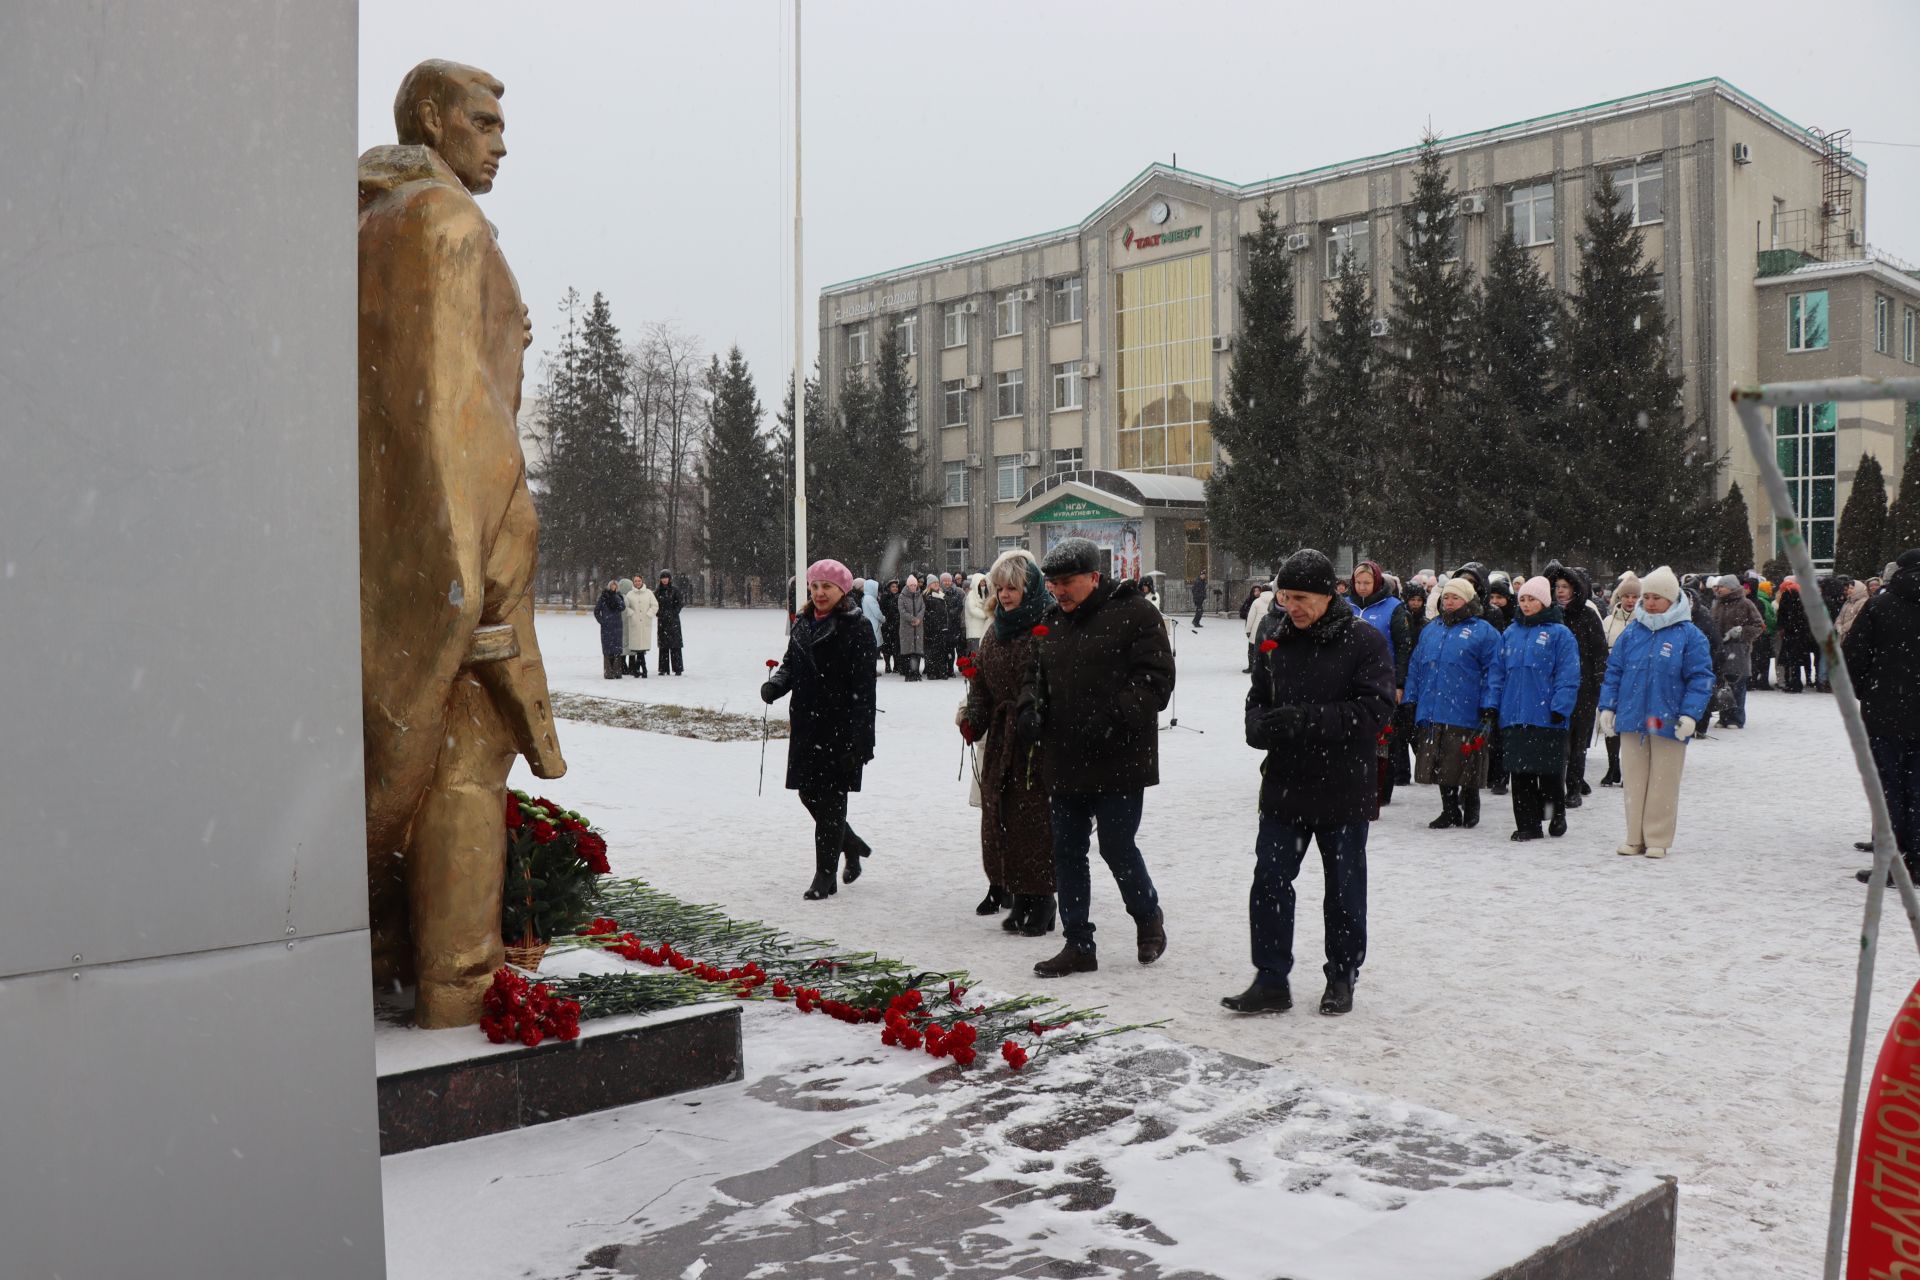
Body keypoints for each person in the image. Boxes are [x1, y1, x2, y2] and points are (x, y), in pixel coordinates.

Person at [358, 59, 568, 1026]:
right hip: (456, 548)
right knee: (465, 772)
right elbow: (447, 413)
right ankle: (459, 984)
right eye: (482, 121)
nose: (501, 139)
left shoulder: (370, 221)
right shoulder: (440, 223)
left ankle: (396, 953)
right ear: (434, 120)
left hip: (390, 542)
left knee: (416, 769)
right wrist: (475, 573)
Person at [1224, 549, 1393, 1017]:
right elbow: (1256, 702)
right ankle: (1271, 978)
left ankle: (1341, 974)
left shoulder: (1363, 640)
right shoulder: (1273, 638)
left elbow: (1374, 711)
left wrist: (1307, 720)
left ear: (1328, 595)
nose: (1289, 606)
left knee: (1343, 886)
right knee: (1270, 882)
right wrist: (1260, 728)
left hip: (1343, 785)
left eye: (1300, 597)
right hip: (1285, 785)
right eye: (1283, 596)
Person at [1029, 537, 1175, 978]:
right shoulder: (1050, 622)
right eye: (1052, 583)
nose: (1058, 591)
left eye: (1067, 582)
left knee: (1115, 845)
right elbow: (1032, 678)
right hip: (1064, 756)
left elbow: (1156, 680)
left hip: (1119, 757)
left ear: (1094, 577)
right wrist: (1028, 710)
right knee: (1067, 850)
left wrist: (1115, 718)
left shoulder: (1136, 614)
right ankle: (1078, 943)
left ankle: (1148, 917)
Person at [761, 560, 878, 900]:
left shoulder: (857, 628)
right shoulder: (802, 624)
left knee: (831, 801)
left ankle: (824, 876)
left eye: (827, 586)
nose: (819, 593)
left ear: (842, 590)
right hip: (807, 726)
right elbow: (790, 665)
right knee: (809, 793)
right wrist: (777, 685)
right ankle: (850, 843)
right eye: (814, 586)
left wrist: (861, 739)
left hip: (840, 727)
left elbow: (865, 690)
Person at [960, 550, 1059, 936]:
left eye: (1012, 588)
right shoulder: (995, 629)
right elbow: (981, 682)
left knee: (1033, 821)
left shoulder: (1046, 625)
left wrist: (1036, 717)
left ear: (1028, 586)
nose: (1004, 595)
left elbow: (1054, 683)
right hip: (1002, 739)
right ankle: (1017, 894)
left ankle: (1043, 899)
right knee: (999, 817)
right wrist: (974, 718)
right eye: (999, 588)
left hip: (1036, 739)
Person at [1598, 566, 1715, 859]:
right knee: (1634, 780)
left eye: (1657, 597)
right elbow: (1614, 671)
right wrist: (1608, 706)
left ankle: (1657, 837)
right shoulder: (1632, 633)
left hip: (1668, 718)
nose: (1650, 602)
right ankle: (1633, 836)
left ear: (1672, 599)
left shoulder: (1690, 635)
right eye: (1646, 596)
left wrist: (1690, 714)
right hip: (1633, 716)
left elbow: (1700, 677)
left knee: (1663, 780)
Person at [1403, 576, 1501, 830]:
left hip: (1466, 706)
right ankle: (1449, 809)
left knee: (1465, 759)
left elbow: (1494, 670)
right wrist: (1411, 698)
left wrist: (1490, 703)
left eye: (1455, 597)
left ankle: (1471, 804)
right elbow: (1416, 666)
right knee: (1440, 760)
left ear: (1468, 600)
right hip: (1433, 705)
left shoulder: (1484, 631)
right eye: (1446, 596)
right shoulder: (1431, 629)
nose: (1449, 601)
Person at [1847, 549, 1920, 885]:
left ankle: (1893, 861)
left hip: (1885, 712)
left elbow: (1853, 656)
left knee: (1889, 787)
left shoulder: (1880, 604)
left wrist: (1870, 692)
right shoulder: (1880, 603)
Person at [1491, 577, 1581, 841]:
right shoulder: (1510, 633)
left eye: (1532, 599)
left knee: (1549, 772)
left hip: (1547, 716)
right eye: (1523, 599)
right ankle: (1528, 825)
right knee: (1520, 774)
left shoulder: (1560, 634)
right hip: (1515, 715)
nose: (1527, 604)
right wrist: (1493, 705)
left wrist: (1561, 706)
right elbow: (1497, 673)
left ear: (1544, 601)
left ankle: (1555, 814)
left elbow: (1568, 674)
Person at [1349, 560, 1411, 809]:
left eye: (1367, 583)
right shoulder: (1346, 606)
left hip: (1382, 681)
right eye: (1358, 583)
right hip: (1350, 681)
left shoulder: (1393, 608)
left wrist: (1399, 682)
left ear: (1376, 582)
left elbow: (1404, 647)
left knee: (1383, 737)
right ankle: (1354, 784)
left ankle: (1381, 790)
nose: (1362, 587)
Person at [1545, 562, 1607, 805]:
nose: (1560, 591)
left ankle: (1574, 787)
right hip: (1554, 686)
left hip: (1583, 687)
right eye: (1557, 586)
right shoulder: (1549, 614)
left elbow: (1600, 652)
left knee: (1577, 741)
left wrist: (1599, 682)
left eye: (1565, 586)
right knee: (1558, 742)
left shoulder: (1588, 615)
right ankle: (1556, 788)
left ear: (1576, 589)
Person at [1598, 572, 1640, 786]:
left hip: (1635, 679)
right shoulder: (1607, 621)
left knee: (1631, 725)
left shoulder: (1643, 622)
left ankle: (1630, 768)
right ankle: (1612, 766)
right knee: (1610, 722)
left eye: (1634, 596)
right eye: (1626, 596)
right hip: (1613, 676)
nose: (1630, 601)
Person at [1710, 575, 1765, 728]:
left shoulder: (1746, 604)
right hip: (1720, 650)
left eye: (1722, 586)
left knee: (1737, 684)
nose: (1718, 589)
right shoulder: (1717, 604)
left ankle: (1736, 718)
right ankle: (1724, 716)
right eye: (1718, 586)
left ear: (1732, 588)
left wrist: (1741, 632)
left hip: (1738, 650)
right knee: (1721, 684)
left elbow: (1759, 626)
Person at [1390, 580, 1429, 793]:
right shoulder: (1401, 619)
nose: (1415, 604)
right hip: (1404, 675)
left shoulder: (1426, 624)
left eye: (1418, 600)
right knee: (1400, 732)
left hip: (1418, 678)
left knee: (1414, 729)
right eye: (1412, 599)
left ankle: (1422, 769)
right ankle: (1401, 772)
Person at [1775, 577, 1813, 692]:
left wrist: (1782, 627)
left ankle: (1794, 683)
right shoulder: (1802, 594)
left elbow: (1782, 613)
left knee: (1791, 660)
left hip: (1791, 633)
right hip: (1801, 633)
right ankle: (1797, 682)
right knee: (1798, 659)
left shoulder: (1787, 594)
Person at [624, 574, 658, 677]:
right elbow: (625, 607)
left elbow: (655, 605)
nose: (637, 582)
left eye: (639, 581)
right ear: (633, 582)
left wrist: (649, 615)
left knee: (641, 649)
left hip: (645, 624)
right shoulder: (629, 594)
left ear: (642, 581)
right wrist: (632, 614)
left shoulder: (649, 593)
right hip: (634, 624)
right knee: (638, 650)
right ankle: (642, 670)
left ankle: (639, 670)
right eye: (635, 581)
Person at [594, 580, 626, 679]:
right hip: (607, 628)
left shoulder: (619, 597)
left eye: (615, 586)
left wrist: (615, 596)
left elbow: (622, 607)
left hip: (617, 627)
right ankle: (608, 672)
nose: (613, 587)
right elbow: (596, 611)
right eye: (612, 586)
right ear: (609, 586)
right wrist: (602, 621)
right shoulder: (603, 597)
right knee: (607, 650)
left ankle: (617, 671)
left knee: (617, 649)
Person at [655, 571, 685, 675]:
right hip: (662, 621)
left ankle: (678, 669)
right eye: (662, 578)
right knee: (663, 646)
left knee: (675, 645)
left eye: (666, 577)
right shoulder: (658, 591)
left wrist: (673, 613)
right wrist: (659, 613)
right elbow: (654, 604)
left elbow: (680, 603)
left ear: (669, 578)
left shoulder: (675, 590)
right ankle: (663, 669)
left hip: (674, 621)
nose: (664, 580)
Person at [1242, 578, 1275, 673]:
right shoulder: (1275, 601)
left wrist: (1248, 630)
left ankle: (1252, 667)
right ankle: (1269, 667)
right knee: (1269, 650)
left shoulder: (1256, 602)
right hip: (1270, 629)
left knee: (1252, 650)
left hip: (1256, 630)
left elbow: (1251, 617)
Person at [923, 576, 953, 679]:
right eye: (933, 583)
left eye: (937, 582)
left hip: (943, 628)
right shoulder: (927, 597)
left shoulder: (942, 596)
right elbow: (926, 613)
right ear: (929, 585)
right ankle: (932, 672)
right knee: (932, 652)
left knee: (942, 651)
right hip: (932, 628)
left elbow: (946, 611)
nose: (936, 584)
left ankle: (942, 671)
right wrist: (933, 621)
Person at [896, 576, 926, 680]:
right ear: (907, 586)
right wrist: (912, 619)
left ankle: (916, 672)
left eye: (914, 585)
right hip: (906, 628)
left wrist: (918, 618)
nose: (913, 587)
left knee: (917, 652)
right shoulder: (902, 596)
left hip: (918, 627)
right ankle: (909, 673)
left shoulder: (920, 595)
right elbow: (902, 611)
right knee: (908, 652)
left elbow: (923, 608)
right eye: (911, 585)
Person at [962, 571, 993, 657]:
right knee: (975, 653)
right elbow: (972, 610)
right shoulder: (971, 595)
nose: (983, 583)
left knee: (983, 653)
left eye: (984, 581)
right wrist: (986, 614)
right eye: (981, 581)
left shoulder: (985, 593)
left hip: (983, 628)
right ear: (976, 582)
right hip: (974, 631)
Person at [854, 576, 885, 658]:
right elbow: (877, 613)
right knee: (874, 649)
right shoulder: (870, 599)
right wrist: (883, 619)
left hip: (870, 624)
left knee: (871, 650)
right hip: (874, 625)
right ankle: (873, 669)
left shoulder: (865, 598)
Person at [879, 579, 901, 673]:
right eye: (893, 586)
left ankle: (896, 665)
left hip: (897, 625)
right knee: (887, 647)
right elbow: (882, 611)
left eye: (896, 587)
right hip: (887, 625)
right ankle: (887, 665)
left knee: (896, 646)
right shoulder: (884, 597)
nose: (895, 588)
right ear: (889, 588)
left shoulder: (900, 597)